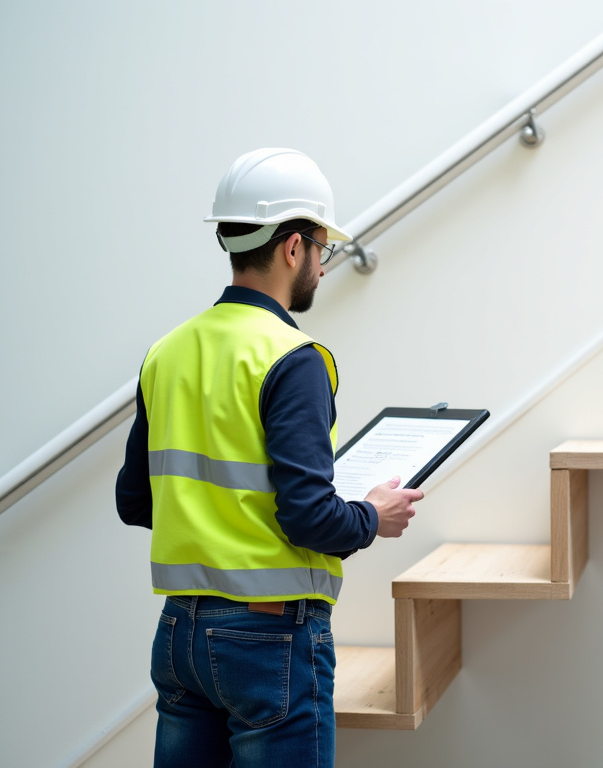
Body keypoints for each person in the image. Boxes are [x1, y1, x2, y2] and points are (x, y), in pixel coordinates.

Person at [115, 147, 422, 767]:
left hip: (180, 636)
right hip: (269, 639)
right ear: (292, 247)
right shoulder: (295, 358)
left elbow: (135, 501)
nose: (322, 267)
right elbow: (309, 518)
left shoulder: (167, 351)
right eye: (322, 250)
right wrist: (372, 515)